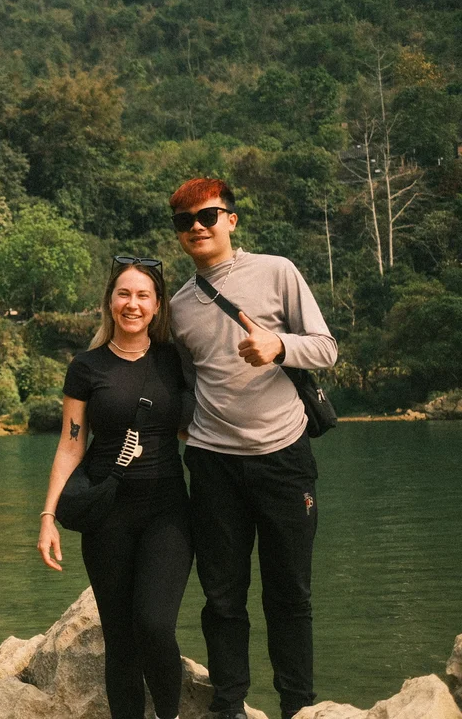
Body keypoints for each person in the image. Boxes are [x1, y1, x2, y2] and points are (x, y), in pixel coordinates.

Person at [168, 178, 337, 719]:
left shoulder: (276, 271)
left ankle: (297, 707)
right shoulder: (178, 306)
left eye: (207, 215)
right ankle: (229, 706)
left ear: (231, 220)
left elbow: (326, 348)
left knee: (290, 594)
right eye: (184, 221)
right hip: (214, 464)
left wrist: (279, 344)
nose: (197, 226)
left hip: (284, 457)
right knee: (221, 598)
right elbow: (187, 383)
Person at [38, 256, 193, 719]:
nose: (133, 304)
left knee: (155, 624)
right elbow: (70, 444)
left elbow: (204, 419)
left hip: (168, 510)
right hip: (107, 513)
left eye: (143, 295)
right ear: (110, 301)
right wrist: (48, 517)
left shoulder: (174, 360)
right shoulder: (86, 367)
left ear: (157, 304)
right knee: (120, 638)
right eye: (124, 294)